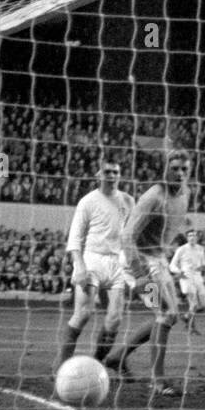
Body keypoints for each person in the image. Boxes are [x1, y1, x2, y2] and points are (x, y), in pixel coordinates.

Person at [100, 150, 191, 398]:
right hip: (136, 262)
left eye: (184, 168)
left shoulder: (185, 194)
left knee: (168, 316)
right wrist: (139, 275)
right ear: (165, 169)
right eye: (175, 168)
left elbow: (169, 226)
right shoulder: (153, 196)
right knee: (166, 314)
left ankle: (117, 357)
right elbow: (127, 236)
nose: (180, 173)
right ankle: (158, 381)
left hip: (158, 260)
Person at [58, 157, 135, 367]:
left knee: (115, 318)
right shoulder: (88, 201)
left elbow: (130, 235)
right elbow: (75, 237)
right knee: (84, 314)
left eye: (116, 172)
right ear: (99, 175)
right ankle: (61, 365)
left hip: (117, 262)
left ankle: (97, 363)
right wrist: (79, 266)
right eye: (107, 172)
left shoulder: (128, 201)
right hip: (91, 260)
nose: (112, 176)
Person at [169, 229, 205, 335]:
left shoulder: (201, 249)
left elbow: (204, 263)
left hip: (198, 278)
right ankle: (192, 328)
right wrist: (179, 271)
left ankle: (186, 317)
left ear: (197, 238)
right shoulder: (181, 249)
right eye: (190, 235)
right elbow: (172, 265)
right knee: (194, 303)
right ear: (187, 238)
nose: (192, 237)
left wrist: (203, 267)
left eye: (194, 235)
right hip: (186, 278)